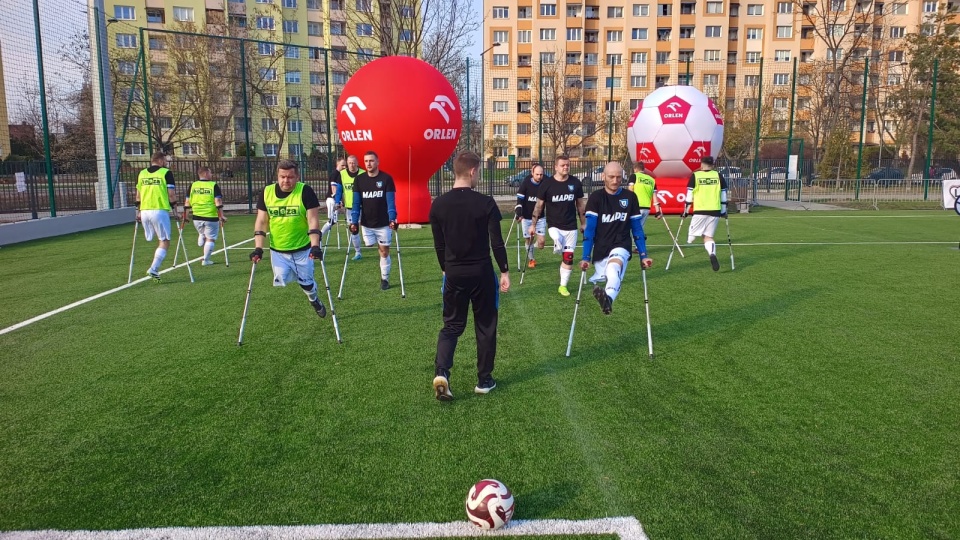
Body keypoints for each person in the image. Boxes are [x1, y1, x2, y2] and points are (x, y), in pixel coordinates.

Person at [429, 151, 510, 401]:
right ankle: (484, 380)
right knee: (485, 327)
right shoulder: (485, 203)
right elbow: (496, 242)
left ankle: (442, 372)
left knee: (451, 326)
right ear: (473, 171)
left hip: (454, 273)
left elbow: (439, 245)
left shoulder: (438, 204)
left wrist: (445, 267)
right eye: (480, 172)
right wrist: (505, 270)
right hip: (481, 273)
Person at [249, 160, 327, 317]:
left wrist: (315, 246)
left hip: (302, 249)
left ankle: (314, 300)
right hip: (278, 251)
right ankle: (304, 285)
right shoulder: (266, 192)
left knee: (307, 285)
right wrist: (258, 248)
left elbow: (312, 220)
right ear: (277, 176)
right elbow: (262, 221)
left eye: (290, 177)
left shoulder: (305, 191)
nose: (286, 181)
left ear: (297, 177)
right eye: (282, 177)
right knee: (282, 278)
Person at [580, 162, 653, 315]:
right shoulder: (596, 198)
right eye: (611, 177)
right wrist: (586, 257)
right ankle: (608, 300)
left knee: (613, 269)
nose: (615, 181)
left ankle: (607, 300)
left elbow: (637, 228)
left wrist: (643, 255)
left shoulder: (630, 197)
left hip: (621, 243)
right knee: (610, 274)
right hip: (601, 246)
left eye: (619, 177)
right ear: (603, 176)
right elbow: (590, 229)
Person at [529, 154, 586, 296]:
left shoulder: (575, 183)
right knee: (555, 236)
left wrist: (584, 223)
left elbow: (580, 205)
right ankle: (556, 243)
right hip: (554, 225)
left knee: (568, 257)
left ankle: (563, 286)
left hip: (571, 226)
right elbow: (538, 206)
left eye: (567, 165)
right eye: (562, 165)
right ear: (556, 167)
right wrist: (533, 225)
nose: (566, 167)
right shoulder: (547, 184)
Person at [350, 151, 397, 291]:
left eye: (371, 161)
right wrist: (354, 221)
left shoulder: (387, 179)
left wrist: (392, 219)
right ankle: (376, 245)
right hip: (366, 223)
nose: (368, 164)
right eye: (366, 161)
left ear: (377, 162)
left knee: (383, 252)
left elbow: (391, 203)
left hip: (383, 224)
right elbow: (355, 203)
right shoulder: (359, 180)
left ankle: (385, 279)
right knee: (370, 246)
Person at [135, 151, 177, 281]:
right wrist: (176, 211)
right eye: (165, 160)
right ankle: (154, 268)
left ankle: (154, 267)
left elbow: (138, 195)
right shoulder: (166, 173)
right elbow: (171, 194)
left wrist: (138, 211)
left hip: (144, 211)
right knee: (164, 241)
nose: (166, 163)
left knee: (152, 238)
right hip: (159, 210)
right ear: (160, 160)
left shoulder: (142, 173)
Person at [682, 155, 728, 272]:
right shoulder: (718, 176)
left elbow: (689, 194)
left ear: (701, 164)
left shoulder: (695, 175)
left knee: (691, 237)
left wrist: (686, 211)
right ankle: (712, 254)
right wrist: (723, 211)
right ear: (712, 165)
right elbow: (723, 194)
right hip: (715, 210)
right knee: (708, 237)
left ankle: (690, 239)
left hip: (700, 210)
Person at [184, 166, 225, 266]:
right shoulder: (213, 185)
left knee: (203, 232)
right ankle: (206, 260)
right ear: (206, 174)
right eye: (210, 173)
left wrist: (186, 215)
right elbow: (218, 201)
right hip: (211, 216)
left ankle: (201, 234)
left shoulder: (193, 185)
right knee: (211, 238)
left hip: (196, 216)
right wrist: (222, 215)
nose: (212, 175)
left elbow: (187, 202)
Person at [514, 164, 547, 268]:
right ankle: (531, 259)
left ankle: (534, 246)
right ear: (532, 173)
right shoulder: (526, 183)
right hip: (526, 216)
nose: (539, 177)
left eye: (541, 174)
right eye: (537, 174)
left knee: (541, 243)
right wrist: (519, 213)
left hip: (540, 217)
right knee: (529, 239)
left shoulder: (546, 182)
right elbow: (520, 199)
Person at [341, 155, 362, 260]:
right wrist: (338, 200)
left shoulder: (363, 173)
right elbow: (340, 189)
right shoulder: (342, 174)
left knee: (372, 227)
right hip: (350, 207)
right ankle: (358, 252)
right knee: (354, 228)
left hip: (365, 206)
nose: (352, 165)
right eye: (350, 163)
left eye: (353, 163)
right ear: (347, 164)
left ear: (357, 163)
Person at [627, 161, 661, 228]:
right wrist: (658, 212)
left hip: (636, 207)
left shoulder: (634, 176)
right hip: (646, 208)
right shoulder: (652, 180)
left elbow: (630, 191)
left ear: (635, 169)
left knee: (629, 228)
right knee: (640, 229)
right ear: (643, 169)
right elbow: (655, 197)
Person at [326, 158, 345, 227]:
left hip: (335, 199)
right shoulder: (335, 174)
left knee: (333, 220)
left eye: (345, 165)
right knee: (332, 220)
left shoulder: (340, 174)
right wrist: (338, 200)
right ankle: (320, 234)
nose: (344, 167)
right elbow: (333, 188)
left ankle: (320, 234)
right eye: (342, 165)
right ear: (337, 164)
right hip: (332, 199)